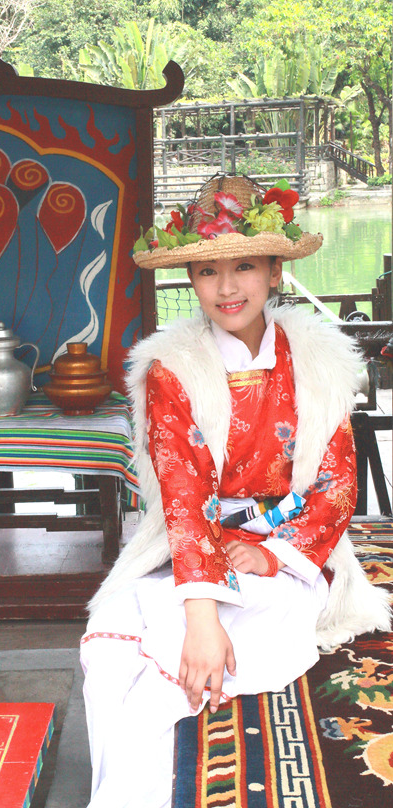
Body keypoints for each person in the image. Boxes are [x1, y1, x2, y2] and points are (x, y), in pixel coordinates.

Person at [80, 174, 391, 808]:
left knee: (162, 686)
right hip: (190, 549)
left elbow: (336, 483)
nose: (226, 288)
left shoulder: (320, 361)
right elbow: (182, 493)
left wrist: (273, 554)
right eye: (207, 271)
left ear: (275, 271)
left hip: (288, 555)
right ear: (189, 279)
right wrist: (202, 612)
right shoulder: (173, 369)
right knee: (108, 655)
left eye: (244, 266)